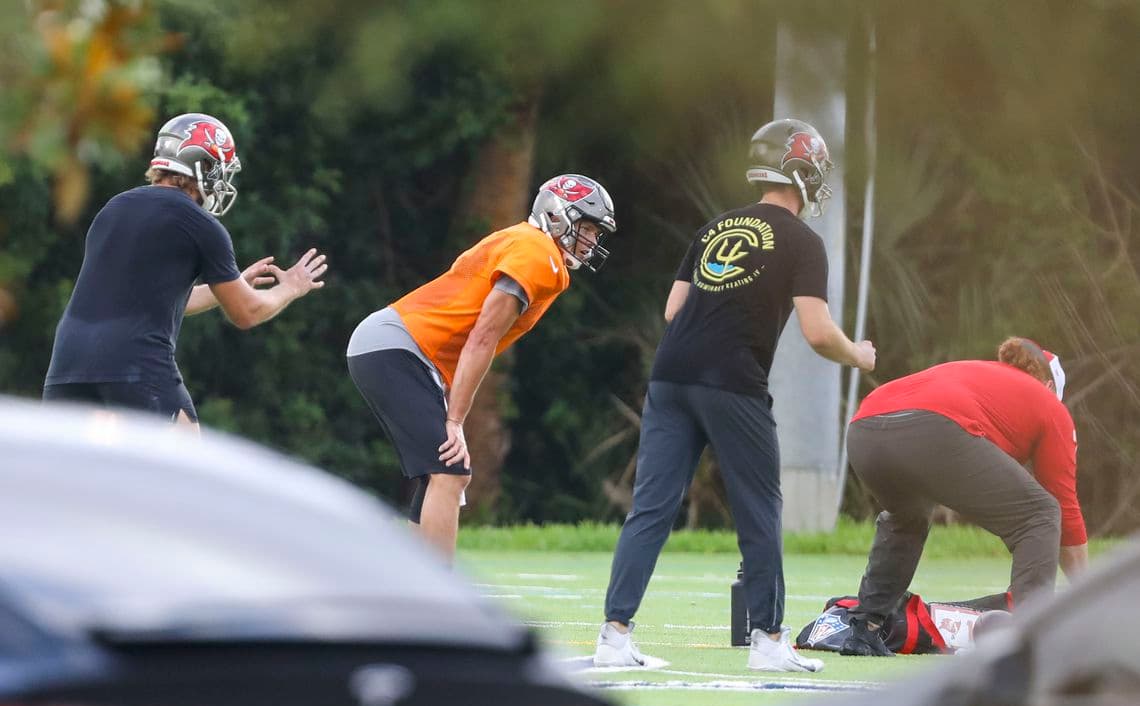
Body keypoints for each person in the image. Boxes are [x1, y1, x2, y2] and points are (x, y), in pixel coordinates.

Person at [593, 119, 876, 672]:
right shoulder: (803, 241)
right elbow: (819, 333)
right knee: (759, 508)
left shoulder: (714, 227)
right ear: (800, 171)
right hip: (732, 381)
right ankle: (768, 641)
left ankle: (614, 635)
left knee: (651, 508)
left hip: (671, 375)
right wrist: (859, 356)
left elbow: (673, 310)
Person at [347, 174, 617, 561]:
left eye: (595, 233)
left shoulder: (529, 244)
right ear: (557, 214)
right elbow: (483, 336)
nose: (591, 240)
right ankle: (435, 591)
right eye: (587, 228)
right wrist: (455, 420)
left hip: (400, 347)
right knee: (450, 471)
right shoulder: (538, 252)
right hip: (399, 347)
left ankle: (414, 581)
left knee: (444, 473)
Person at [43, 113, 328, 431]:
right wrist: (290, 287)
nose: (221, 180)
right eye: (218, 168)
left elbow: (155, 300)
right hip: (134, 360)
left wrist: (230, 287)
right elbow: (246, 313)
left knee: (70, 463)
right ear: (201, 165)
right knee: (184, 452)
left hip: (68, 360)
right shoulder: (199, 224)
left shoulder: (113, 208)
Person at [839, 337, 1088, 657]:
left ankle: (865, 629)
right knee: (1041, 514)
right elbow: (1065, 511)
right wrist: (1089, 591)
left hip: (864, 429)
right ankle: (1032, 642)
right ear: (1050, 387)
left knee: (907, 517)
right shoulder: (1050, 405)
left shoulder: (985, 375)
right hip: (934, 429)